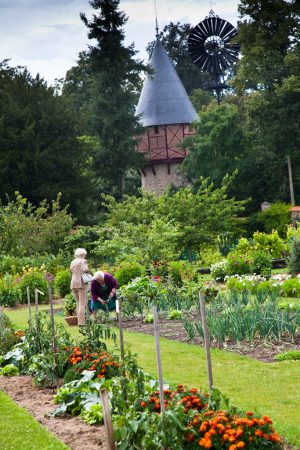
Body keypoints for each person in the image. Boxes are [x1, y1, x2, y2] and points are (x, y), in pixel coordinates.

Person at [70, 248, 91, 326]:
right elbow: (85, 269)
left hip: (73, 283)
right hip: (81, 283)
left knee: (78, 303)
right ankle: (81, 322)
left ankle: (79, 321)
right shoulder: (83, 261)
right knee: (82, 304)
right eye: (84, 255)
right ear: (82, 255)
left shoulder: (73, 262)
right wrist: (89, 272)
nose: (85, 256)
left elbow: (71, 270)